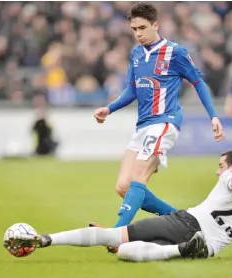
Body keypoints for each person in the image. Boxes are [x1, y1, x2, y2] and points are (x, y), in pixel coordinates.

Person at [5, 151, 232, 262]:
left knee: (114, 237)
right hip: (207, 249)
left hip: (184, 224)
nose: (218, 171)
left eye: (220, 165)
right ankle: (182, 251)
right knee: (124, 254)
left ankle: (46, 240)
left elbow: (230, 178)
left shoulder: (231, 176)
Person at [91, 2, 224, 237]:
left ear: (155, 25)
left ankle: (116, 234)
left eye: (142, 27)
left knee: (140, 177)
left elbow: (198, 82)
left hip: (164, 122)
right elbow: (132, 90)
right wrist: (109, 109)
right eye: (134, 29)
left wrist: (213, 116)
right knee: (123, 186)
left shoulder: (176, 52)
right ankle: (186, 223)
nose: (138, 34)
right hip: (142, 125)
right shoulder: (135, 54)